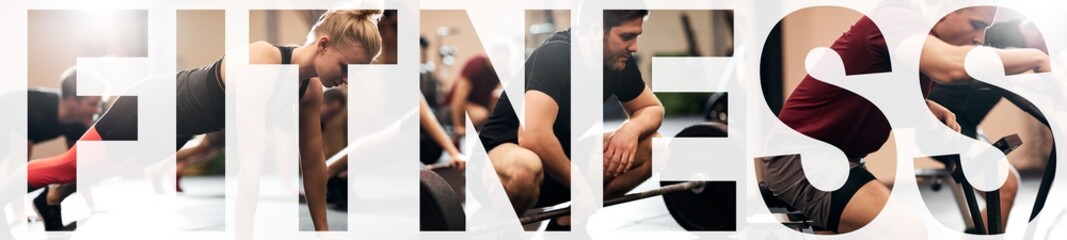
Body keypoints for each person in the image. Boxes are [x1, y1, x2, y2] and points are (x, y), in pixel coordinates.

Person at [19, 8, 385, 232]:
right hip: (149, 106)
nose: (349, 79)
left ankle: (50, 202)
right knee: (67, 167)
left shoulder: (310, 90)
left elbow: (314, 164)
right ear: (322, 45)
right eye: (347, 67)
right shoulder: (262, 62)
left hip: (176, 129)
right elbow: (252, 163)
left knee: (102, 170)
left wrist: (323, 232)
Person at [763, 6, 1052, 233]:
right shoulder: (897, 18)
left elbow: (873, 87)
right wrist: (1037, 58)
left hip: (838, 158)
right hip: (801, 157)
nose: (979, 38)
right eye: (976, 25)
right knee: (906, 231)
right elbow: (950, 65)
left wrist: (924, 106)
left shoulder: (915, 39)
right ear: (943, 12)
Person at [478, 10, 664, 230]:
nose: (634, 47)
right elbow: (532, 137)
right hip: (499, 162)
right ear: (596, 31)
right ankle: (505, 229)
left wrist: (631, 128)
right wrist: (578, 184)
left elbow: (653, 108)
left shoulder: (618, 63)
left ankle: (567, 223)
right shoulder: (556, 56)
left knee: (655, 146)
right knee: (524, 168)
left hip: (558, 163)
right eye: (626, 37)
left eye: (636, 36)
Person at [28, 67, 104, 231]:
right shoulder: (33, 110)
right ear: (71, 100)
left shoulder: (78, 120)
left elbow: (78, 167)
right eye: (92, 104)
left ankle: (48, 203)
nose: (97, 110)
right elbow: (18, 164)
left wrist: (93, 208)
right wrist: (21, 213)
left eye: (99, 104)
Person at [446, 55, 501, 141]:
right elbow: (458, 98)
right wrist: (458, 126)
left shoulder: (498, 71)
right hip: (451, 107)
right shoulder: (475, 65)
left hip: (477, 107)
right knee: (481, 114)